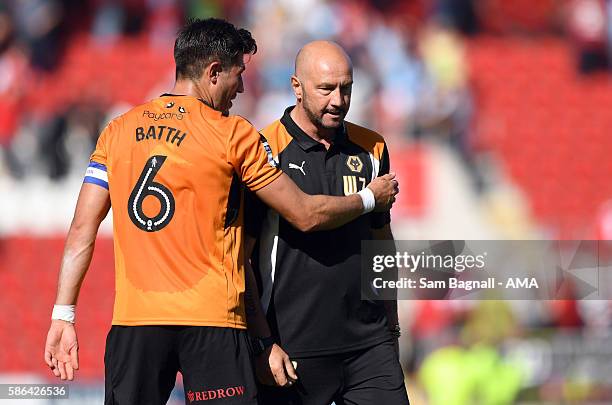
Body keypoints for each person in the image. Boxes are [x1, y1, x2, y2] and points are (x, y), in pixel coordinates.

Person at [42, 20, 399, 405]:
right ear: (214, 72)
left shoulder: (117, 131)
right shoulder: (236, 134)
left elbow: (83, 227)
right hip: (214, 323)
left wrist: (63, 314)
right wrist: (368, 198)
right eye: (237, 74)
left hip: (136, 321)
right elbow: (304, 212)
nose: (241, 88)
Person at [244, 41, 410, 405]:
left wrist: (391, 323)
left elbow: (380, 242)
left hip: (369, 344)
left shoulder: (372, 148)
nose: (338, 100)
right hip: (293, 344)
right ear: (296, 87)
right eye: (326, 89)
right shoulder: (263, 149)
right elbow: (244, 261)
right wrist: (262, 343)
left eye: (346, 88)